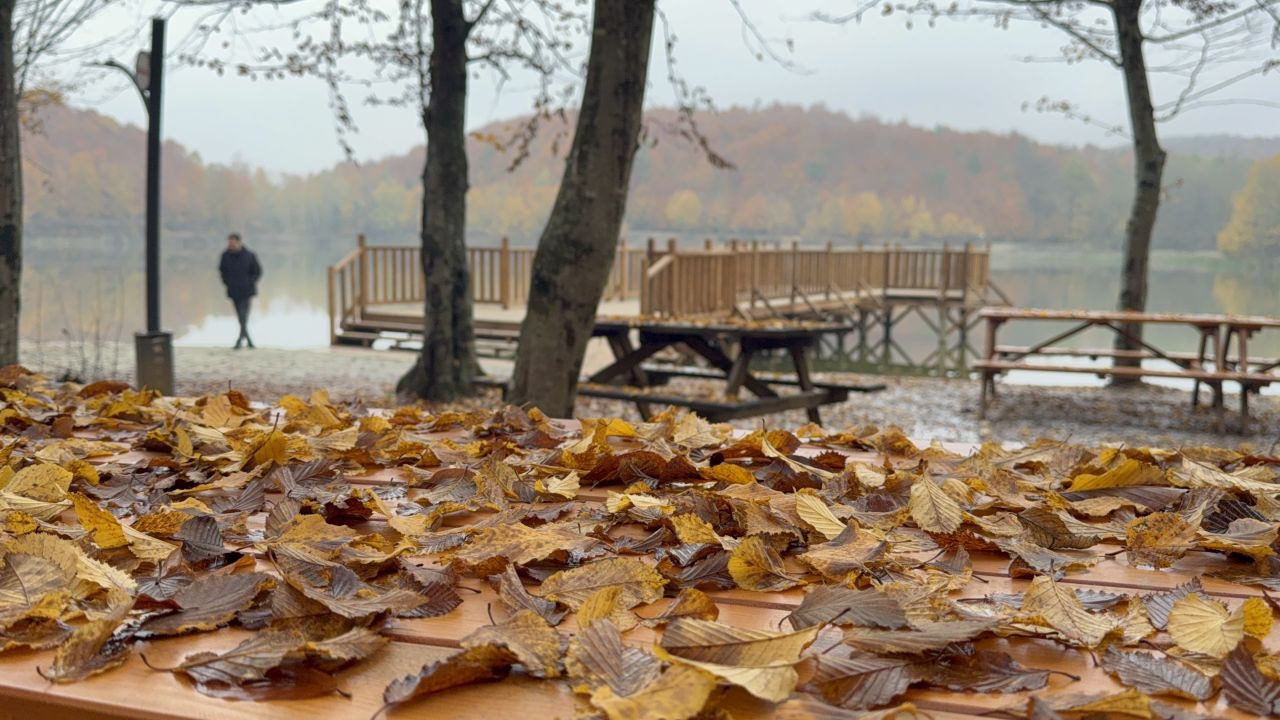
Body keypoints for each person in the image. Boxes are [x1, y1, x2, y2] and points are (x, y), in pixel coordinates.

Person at [218, 232, 262, 349]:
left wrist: (250, 282)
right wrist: (226, 282)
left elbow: (257, 271)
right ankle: (248, 340)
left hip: (247, 291)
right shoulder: (225, 256)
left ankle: (239, 340)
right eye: (229, 243)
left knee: (243, 315)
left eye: (233, 243)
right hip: (233, 290)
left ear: (239, 242)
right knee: (240, 316)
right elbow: (222, 271)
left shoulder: (250, 255)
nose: (231, 245)